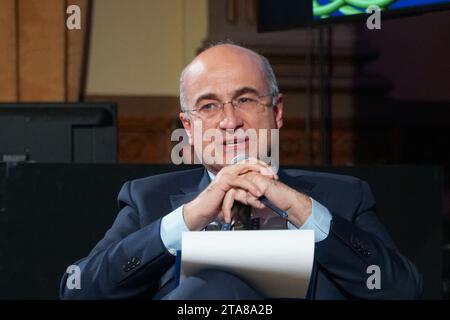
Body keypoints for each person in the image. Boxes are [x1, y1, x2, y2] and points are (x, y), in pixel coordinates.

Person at [60, 43, 422, 300]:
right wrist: (186, 219)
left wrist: (301, 210)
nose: (230, 121)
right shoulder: (148, 200)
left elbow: (401, 289)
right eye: (209, 106)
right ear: (188, 126)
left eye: (246, 100)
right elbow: (79, 289)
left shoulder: (345, 197)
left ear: (277, 112)